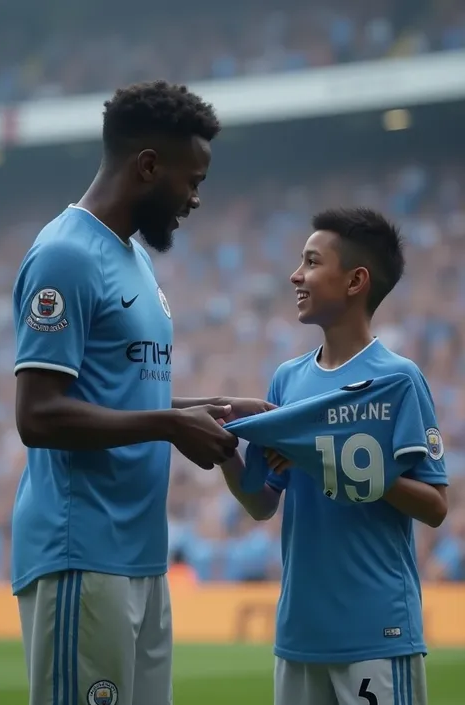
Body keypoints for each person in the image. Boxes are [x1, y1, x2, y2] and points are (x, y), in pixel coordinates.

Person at [12, 80, 273, 705]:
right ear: (149, 167)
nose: (196, 199)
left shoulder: (133, 258)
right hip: (82, 551)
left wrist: (207, 409)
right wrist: (168, 426)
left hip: (141, 555)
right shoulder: (65, 255)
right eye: (193, 180)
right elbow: (38, 414)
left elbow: (126, 392)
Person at [219, 208, 448, 705]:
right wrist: (223, 451)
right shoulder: (287, 379)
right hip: (299, 638)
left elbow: (435, 505)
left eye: (312, 262)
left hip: (377, 634)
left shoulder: (400, 379)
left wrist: (342, 463)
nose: (295, 275)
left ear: (355, 281)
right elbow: (261, 502)